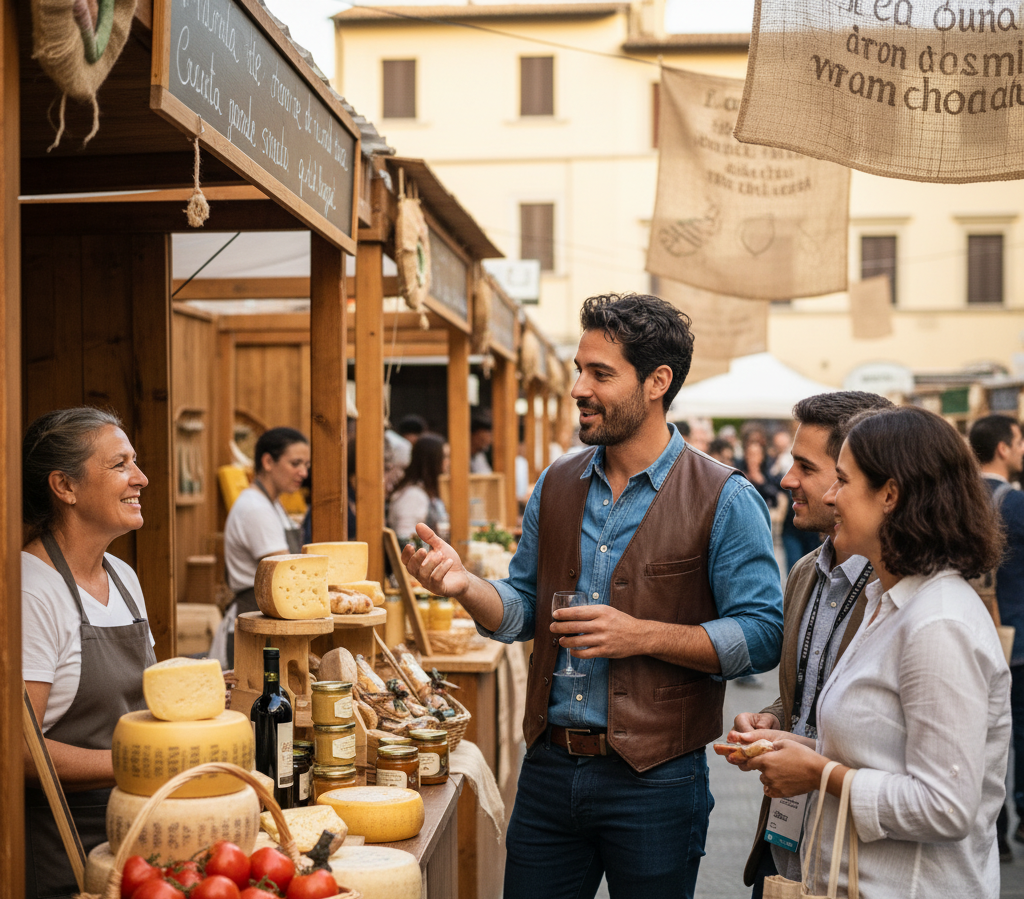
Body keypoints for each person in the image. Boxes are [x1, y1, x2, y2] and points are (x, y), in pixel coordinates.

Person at [402, 292, 784, 899]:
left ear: (657, 382)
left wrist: (640, 635)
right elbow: (523, 608)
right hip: (549, 771)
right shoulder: (556, 482)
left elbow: (763, 634)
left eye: (600, 374)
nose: (579, 388)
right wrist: (466, 586)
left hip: (657, 780)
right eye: (580, 370)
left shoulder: (726, 497)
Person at [734, 405, 1010, 899]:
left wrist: (819, 771)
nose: (830, 495)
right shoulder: (891, 602)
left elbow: (947, 807)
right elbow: (879, 751)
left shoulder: (938, 622)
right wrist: (799, 747)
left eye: (842, 480)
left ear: (890, 495)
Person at [731, 392, 893, 897]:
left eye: (807, 467)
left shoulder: (901, 591)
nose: (787, 479)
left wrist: (818, 765)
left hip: (859, 857)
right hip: (785, 843)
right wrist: (775, 718)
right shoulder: (805, 571)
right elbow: (811, 692)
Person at [21, 407, 156, 899]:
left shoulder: (123, 577)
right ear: (65, 486)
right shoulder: (31, 589)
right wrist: (146, 762)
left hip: (137, 835)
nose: (140, 478)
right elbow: (19, 752)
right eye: (120, 464)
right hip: (63, 846)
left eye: (134, 462)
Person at [969, 413, 1024, 859]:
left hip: (970, 632)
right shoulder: (1016, 503)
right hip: (1016, 636)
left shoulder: (960, 498)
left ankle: (996, 829)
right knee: (1018, 731)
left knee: (980, 734)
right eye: (1020, 441)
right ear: (1003, 448)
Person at [213, 426, 310, 668]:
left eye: (306, 465)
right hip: (253, 625)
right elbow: (285, 574)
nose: (303, 472)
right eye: (295, 463)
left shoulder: (272, 503)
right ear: (268, 462)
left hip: (267, 622)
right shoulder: (255, 508)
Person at [388, 432, 450, 545]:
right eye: (445, 456)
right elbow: (405, 538)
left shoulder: (425, 490)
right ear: (432, 459)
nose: (448, 462)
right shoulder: (413, 495)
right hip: (423, 555)